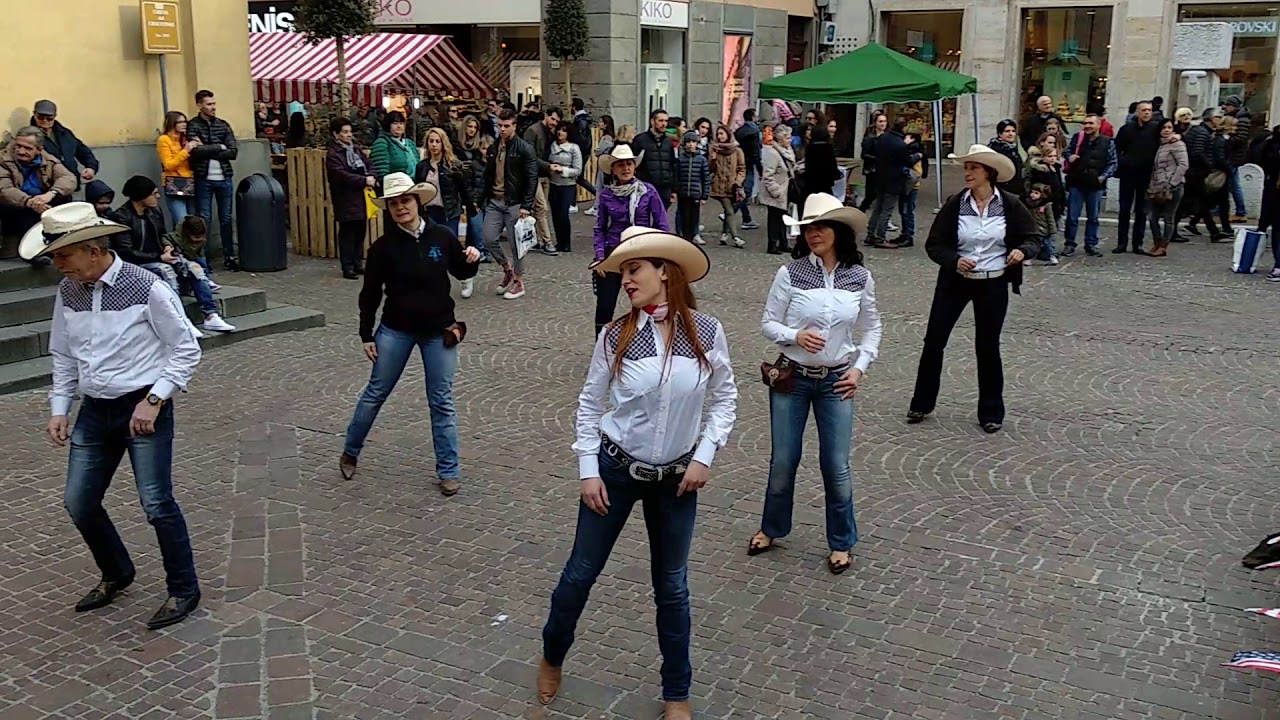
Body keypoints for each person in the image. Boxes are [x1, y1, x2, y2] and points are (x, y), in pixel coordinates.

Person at [537, 226, 737, 720]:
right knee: (579, 575)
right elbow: (589, 404)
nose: (625, 280)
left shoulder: (705, 330)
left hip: (677, 480)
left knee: (672, 587)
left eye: (633, 269)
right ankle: (552, 655)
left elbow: (726, 397)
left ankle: (677, 694)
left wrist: (705, 454)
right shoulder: (615, 335)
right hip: (616, 470)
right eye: (622, 272)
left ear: (663, 272)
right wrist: (588, 471)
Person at [26, 201, 202, 630]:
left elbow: (186, 348)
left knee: (156, 503)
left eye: (63, 254)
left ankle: (183, 588)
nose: (57, 264)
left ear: (91, 247)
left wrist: (155, 400)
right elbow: (64, 354)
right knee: (79, 502)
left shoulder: (146, 286)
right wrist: (59, 408)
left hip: (143, 408)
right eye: (54, 256)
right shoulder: (68, 291)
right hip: (95, 411)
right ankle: (117, 573)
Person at [748, 193, 880, 575]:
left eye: (820, 227)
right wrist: (794, 336)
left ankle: (842, 542)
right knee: (783, 461)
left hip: (837, 379)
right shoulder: (790, 273)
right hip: (792, 378)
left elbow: (872, 328)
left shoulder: (860, 277)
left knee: (836, 466)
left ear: (838, 231)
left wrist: (859, 369)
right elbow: (768, 323)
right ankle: (771, 528)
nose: (812, 234)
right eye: (807, 228)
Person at [341, 173, 481, 495]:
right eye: (394, 204)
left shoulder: (442, 236)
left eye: (406, 201)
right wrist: (366, 334)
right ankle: (351, 450)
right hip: (395, 331)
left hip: (439, 331)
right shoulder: (383, 248)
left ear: (418, 202)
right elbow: (370, 294)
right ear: (388, 209)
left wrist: (471, 260)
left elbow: (461, 270)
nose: (401, 207)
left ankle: (449, 470)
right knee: (376, 392)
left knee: (441, 401)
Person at [907, 145, 1040, 433]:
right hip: (955, 282)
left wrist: (1021, 252)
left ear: (988, 173)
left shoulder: (1010, 204)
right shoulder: (956, 203)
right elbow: (934, 245)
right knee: (934, 341)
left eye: (973, 168)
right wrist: (954, 260)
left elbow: (1032, 238)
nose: (967, 173)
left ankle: (991, 412)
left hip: (992, 283)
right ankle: (921, 403)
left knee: (988, 346)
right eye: (966, 168)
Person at [108, 176, 234, 334]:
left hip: (160, 256)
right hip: (137, 263)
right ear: (141, 196)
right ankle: (180, 320)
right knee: (167, 273)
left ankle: (211, 315)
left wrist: (167, 247)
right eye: (154, 194)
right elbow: (126, 251)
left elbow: (162, 235)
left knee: (195, 268)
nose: (158, 196)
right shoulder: (122, 217)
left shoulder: (154, 211)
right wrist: (159, 257)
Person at [590, 145, 670, 334]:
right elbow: (599, 228)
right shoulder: (606, 196)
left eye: (629, 164)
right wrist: (600, 257)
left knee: (646, 303)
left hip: (642, 252)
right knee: (604, 307)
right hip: (613, 254)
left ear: (634, 167)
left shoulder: (647, 191)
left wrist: (661, 255)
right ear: (613, 169)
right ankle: (601, 351)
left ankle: (648, 347)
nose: (625, 168)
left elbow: (662, 224)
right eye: (620, 165)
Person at [480, 108, 540, 300]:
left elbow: (532, 178)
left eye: (507, 126)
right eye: (500, 125)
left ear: (514, 125)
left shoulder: (524, 148)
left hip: (515, 202)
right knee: (489, 238)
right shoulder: (494, 148)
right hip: (495, 200)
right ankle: (507, 269)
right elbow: (487, 175)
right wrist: (480, 199)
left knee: (517, 245)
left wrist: (526, 205)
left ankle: (519, 281)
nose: (503, 129)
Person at [0, 126, 77, 266]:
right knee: (29, 208)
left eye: (27, 148)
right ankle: (34, 251)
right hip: (15, 205)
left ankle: (61, 245)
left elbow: (69, 178)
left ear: (38, 149)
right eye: (18, 146)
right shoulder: (3, 159)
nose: (21, 151)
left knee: (64, 197)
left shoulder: (47, 159)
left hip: (41, 201)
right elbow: (5, 189)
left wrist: (51, 194)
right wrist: (30, 202)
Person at [188, 90, 240, 271]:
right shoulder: (193, 125)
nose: (213, 107)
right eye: (209, 104)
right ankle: (204, 258)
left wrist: (207, 148)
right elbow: (194, 152)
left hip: (224, 177)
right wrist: (219, 146)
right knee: (204, 219)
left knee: (226, 218)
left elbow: (233, 151)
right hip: (204, 178)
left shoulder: (223, 125)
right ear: (199, 105)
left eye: (214, 104)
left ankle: (229, 256)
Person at [325, 117, 376, 280]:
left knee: (360, 231)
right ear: (336, 134)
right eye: (345, 132)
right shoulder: (334, 154)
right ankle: (347, 266)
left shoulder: (356, 149)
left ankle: (357, 263)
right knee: (348, 233)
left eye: (349, 132)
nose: (349, 135)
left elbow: (369, 164)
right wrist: (362, 180)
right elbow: (340, 175)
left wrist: (371, 176)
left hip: (361, 196)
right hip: (345, 197)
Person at [1062, 114, 1116, 257]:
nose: (1087, 126)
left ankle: (1091, 244)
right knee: (1072, 217)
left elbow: (1113, 162)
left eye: (1091, 123)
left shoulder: (1108, 142)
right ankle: (1069, 243)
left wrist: (1103, 176)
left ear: (1098, 125)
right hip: (1077, 182)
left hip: (1095, 185)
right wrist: (1069, 157)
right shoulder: (1077, 138)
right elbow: (1067, 151)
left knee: (1093, 217)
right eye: (1085, 123)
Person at [1112, 101, 1162, 254]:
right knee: (1125, 209)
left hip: (1146, 175)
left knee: (1141, 210)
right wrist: (1124, 162)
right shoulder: (1127, 129)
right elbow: (1116, 149)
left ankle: (1137, 244)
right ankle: (1122, 243)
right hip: (1128, 174)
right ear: (1137, 112)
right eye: (1144, 110)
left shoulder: (1155, 129)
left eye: (1149, 110)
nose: (1147, 113)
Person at [414, 127, 472, 238]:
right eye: (431, 141)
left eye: (437, 141)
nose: (434, 145)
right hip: (429, 211)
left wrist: (471, 209)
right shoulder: (422, 166)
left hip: (449, 212)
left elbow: (463, 189)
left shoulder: (454, 166)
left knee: (448, 243)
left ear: (443, 143)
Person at [30, 100, 99, 189]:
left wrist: (91, 167)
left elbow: (83, 151)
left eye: (49, 118)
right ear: (34, 115)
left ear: (55, 117)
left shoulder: (65, 133)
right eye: (40, 117)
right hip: (49, 188)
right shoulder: (29, 136)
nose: (45, 121)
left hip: (73, 183)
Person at [1144, 118, 1188, 258]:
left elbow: (1183, 165)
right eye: (1164, 127)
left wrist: (1172, 183)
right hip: (1157, 187)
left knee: (1169, 217)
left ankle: (1163, 246)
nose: (1167, 130)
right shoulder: (1160, 145)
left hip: (1173, 187)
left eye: (1169, 127)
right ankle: (1157, 242)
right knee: (1152, 217)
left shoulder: (1178, 145)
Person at [455, 117, 492, 274]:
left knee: (478, 226)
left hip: (479, 194)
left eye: (474, 127)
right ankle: (478, 250)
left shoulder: (479, 152)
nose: (471, 130)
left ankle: (480, 250)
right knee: (472, 225)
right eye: (469, 126)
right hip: (464, 189)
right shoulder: (457, 145)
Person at [866, 118, 911, 248]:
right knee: (886, 210)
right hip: (893, 180)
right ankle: (880, 238)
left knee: (878, 208)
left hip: (880, 177)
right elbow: (907, 161)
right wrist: (916, 156)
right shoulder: (900, 144)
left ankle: (870, 234)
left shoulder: (883, 138)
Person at [523, 107, 560, 254]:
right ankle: (547, 242)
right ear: (546, 116)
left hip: (544, 174)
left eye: (556, 121)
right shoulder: (533, 131)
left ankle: (537, 239)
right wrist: (549, 165)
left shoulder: (548, 132)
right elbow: (529, 157)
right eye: (552, 119)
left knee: (540, 209)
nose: (554, 123)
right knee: (542, 207)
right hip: (534, 175)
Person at [156, 111, 200, 231]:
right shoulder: (164, 140)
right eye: (180, 122)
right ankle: (179, 248)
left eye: (185, 121)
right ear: (172, 123)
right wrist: (186, 151)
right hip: (174, 183)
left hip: (189, 182)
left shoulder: (185, 139)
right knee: (182, 221)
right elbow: (168, 164)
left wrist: (198, 145)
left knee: (192, 221)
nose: (184, 124)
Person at [761, 124, 797, 256]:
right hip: (776, 192)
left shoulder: (788, 151)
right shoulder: (773, 154)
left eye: (790, 137)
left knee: (783, 217)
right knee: (774, 218)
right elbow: (767, 175)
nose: (790, 140)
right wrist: (776, 191)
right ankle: (773, 244)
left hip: (785, 189)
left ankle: (783, 243)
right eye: (787, 137)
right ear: (780, 139)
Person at [548, 122, 584, 253]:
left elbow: (578, 170)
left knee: (563, 214)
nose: (560, 133)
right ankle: (559, 241)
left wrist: (562, 170)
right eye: (559, 130)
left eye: (563, 131)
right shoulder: (551, 146)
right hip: (553, 184)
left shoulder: (574, 148)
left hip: (567, 185)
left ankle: (566, 242)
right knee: (555, 215)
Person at [708, 125, 746, 248]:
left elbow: (741, 168)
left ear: (728, 135)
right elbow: (711, 169)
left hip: (732, 186)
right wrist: (713, 159)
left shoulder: (737, 151)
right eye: (718, 134)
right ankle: (735, 237)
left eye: (722, 134)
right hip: (719, 185)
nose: (720, 136)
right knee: (729, 211)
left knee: (728, 211)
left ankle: (724, 234)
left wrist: (738, 181)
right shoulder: (714, 149)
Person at [631, 109, 678, 208]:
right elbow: (632, 162)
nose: (664, 124)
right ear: (652, 121)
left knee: (661, 219)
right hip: (646, 186)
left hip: (665, 187)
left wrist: (674, 189)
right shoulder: (640, 140)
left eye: (666, 121)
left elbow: (673, 164)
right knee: (644, 219)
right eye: (660, 121)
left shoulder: (668, 141)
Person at [674, 132, 710, 245]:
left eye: (693, 142)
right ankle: (683, 236)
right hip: (683, 193)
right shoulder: (680, 159)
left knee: (694, 216)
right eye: (688, 142)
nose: (690, 144)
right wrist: (676, 190)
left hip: (695, 194)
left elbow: (705, 178)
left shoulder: (701, 159)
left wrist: (704, 195)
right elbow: (676, 176)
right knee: (683, 216)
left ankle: (693, 235)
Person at [369, 110, 419, 188]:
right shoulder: (382, 143)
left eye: (401, 123)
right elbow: (381, 170)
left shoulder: (410, 143)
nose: (399, 126)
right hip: (394, 187)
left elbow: (418, 165)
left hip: (413, 185)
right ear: (388, 125)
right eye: (395, 123)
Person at [1223, 94, 1253, 221]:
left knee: (1234, 184)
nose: (1225, 107)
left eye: (1228, 105)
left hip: (1234, 156)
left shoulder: (1242, 120)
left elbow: (1240, 138)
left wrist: (1226, 139)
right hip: (1234, 155)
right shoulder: (1239, 118)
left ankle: (1241, 212)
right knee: (1231, 184)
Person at [732, 109, 763, 230]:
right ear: (753, 117)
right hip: (749, 164)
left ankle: (746, 218)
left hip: (739, 163)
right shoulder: (755, 132)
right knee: (746, 192)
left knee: (742, 191)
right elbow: (756, 152)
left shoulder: (739, 131)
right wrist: (760, 169)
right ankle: (730, 212)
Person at [585, 115, 617, 217]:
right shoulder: (607, 136)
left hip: (604, 162)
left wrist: (597, 151)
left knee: (600, 185)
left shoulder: (607, 137)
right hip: (604, 162)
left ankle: (597, 207)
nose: (599, 124)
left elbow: (600, 149)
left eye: (601, 122)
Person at [988, 120, 1025, 201]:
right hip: (1002, 189)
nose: (1011, 134)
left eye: (1013, 131)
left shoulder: (1012, 148)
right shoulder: (996, 149)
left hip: (1015, 188)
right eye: (1007, 131)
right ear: (1000, 134)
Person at [802, 126, 841, 204]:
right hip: (826, 182)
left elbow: (808, 166)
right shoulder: (828, 148)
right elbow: (832, 165)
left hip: (811, 183)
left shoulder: (810, 148)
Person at [859, 111, 886, 213]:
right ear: (875, 123)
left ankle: (883, 219)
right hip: (872, 169)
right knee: (871, 195)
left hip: (884, 169)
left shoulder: (887, 137)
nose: (883, 124)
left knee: (883, 195)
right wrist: (878, 158)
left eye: (884, 121)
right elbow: (864, 155)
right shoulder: (870, 138)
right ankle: (861, 211)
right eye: (880, 121)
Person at [1024, 183, 1058, 265]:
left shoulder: (1046, 205)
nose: (1033, 195)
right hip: (1033, 229)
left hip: (1044, 229)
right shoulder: (1029, 204)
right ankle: (1029, 258)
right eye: (1032, 192)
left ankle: (1052, 256)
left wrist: (1052, 229)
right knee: (1033, 245)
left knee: (1048, 244)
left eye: (1036, 193)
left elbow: (1050, 218)